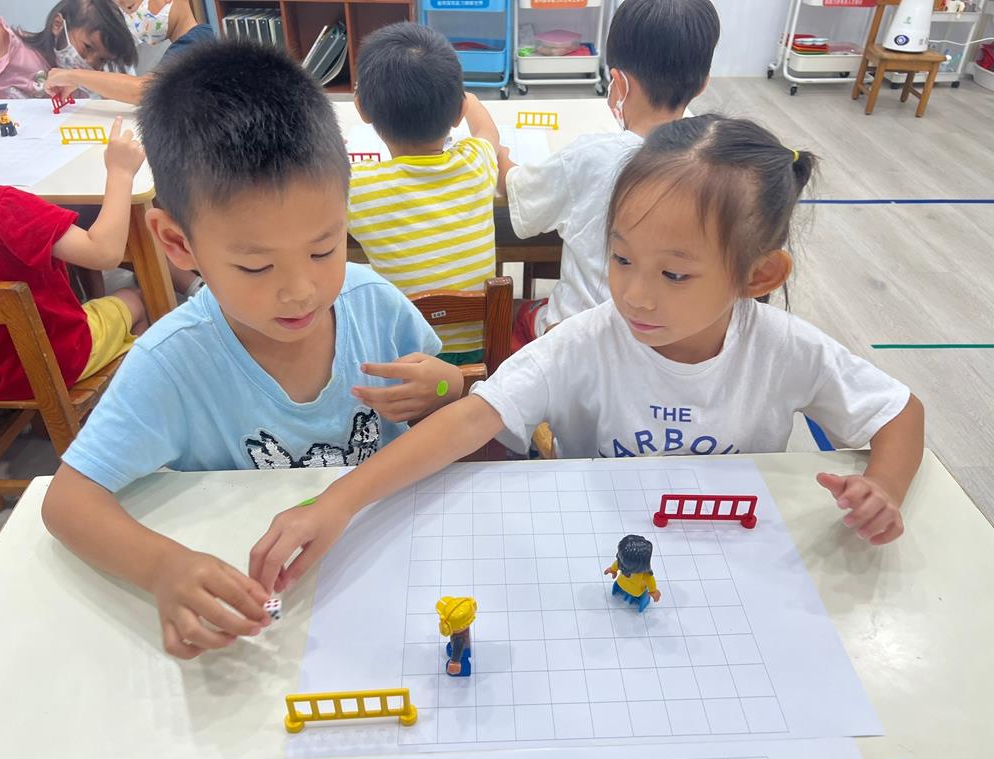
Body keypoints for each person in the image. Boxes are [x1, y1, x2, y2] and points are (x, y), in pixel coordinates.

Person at [247, 115, 926, 594]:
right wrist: (339, 501)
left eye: (675, 274)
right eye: (621, 258)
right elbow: (470, 419)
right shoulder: (586, 339)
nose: (634, 293)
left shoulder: (784, 349)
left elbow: (899, 411)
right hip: (596, 554)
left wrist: (885, 487)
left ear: (758, 275)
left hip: (734, 562)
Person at [41, 41, 464, 660]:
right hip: (267, 619)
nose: (300, 290)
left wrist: (445, 386)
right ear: (178, 245)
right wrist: (162, 567)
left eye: (324, 249)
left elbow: (452, 400)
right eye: (256, 266)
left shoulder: (372, 301)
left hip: (390, 570)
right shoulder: (174, 362)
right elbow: (66, 501)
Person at [500, 0, 720, 351]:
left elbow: (519, 194)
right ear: (703, 84)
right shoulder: (716, 165)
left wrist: (498, 154)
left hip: (575, 343)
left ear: (618, 82)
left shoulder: (590, 156)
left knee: (511, 315)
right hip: (660, 345)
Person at [0, 91, 147, 402]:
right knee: (136, 298)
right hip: (53, 360)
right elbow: (105, 252)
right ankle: (132, 411)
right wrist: (120, 173)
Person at [348, 22, 501, 365]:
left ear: (362, 109)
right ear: (458, 112)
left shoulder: (356, 186)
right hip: (479, 353)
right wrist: (469, 101)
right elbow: (489, 132)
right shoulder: (475, 163)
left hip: (404, 356)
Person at [44, 0, 216, 104]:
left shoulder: (197, 45)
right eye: (126, 13)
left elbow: (145, 90)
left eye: (131, 7)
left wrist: (73, 76)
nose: (133, 21)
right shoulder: (190, 40)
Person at [0, 0, 137, 101]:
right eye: (88, 47)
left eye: (102, 60)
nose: (90, 62)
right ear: (58, 25)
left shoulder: (74, 91)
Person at [604, 534, 660, 612]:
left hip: (621, 583)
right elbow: (651, 583)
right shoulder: (645, 574)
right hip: (636, 592)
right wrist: (653, 591)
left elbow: (615, 565)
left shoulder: (621, 564)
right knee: (644, 593)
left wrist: (613, 570)